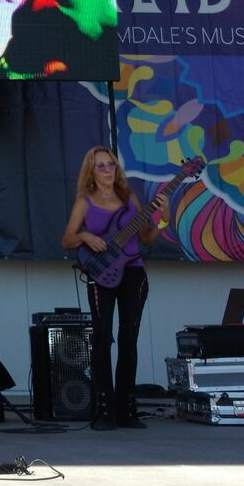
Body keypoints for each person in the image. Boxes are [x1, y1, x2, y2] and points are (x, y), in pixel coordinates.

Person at [61, 145, 168, 431]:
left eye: (111, 165)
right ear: (91, 172)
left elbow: (146, 238)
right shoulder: (85, 201)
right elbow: (68, 240)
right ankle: (103, 408)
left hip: (133, 271)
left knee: (128, 338)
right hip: (102, 273)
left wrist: (164, 218)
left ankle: (126, 408)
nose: (108, 170)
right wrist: (85, 235)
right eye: (101, 166)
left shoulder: (129, 198)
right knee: (102, 337)